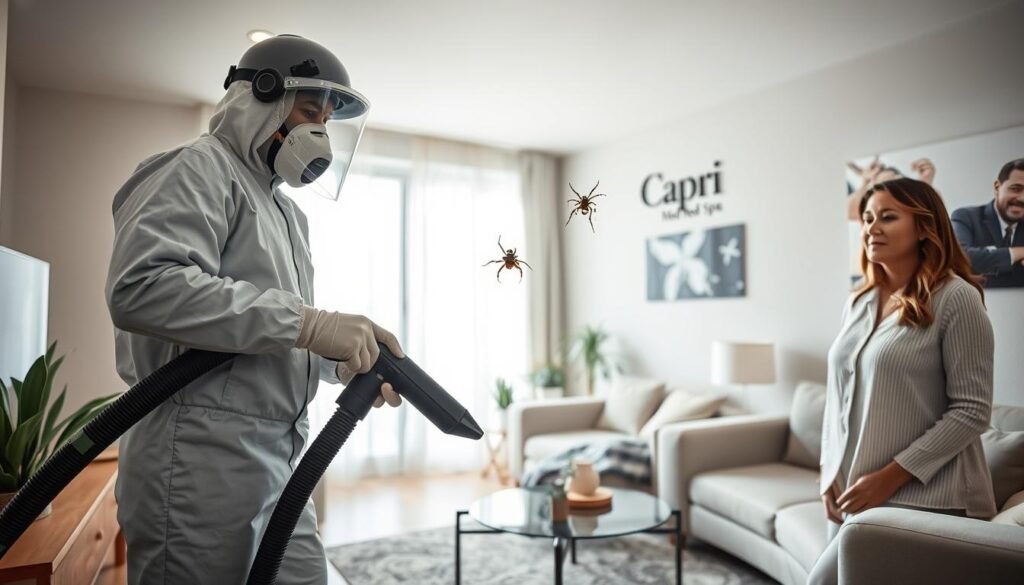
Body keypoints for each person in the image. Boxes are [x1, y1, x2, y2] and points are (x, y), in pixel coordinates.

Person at [105, 35, 403, 584]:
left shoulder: (287, 215)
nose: (320, 131)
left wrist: (346, 361)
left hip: (281, 459)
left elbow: (266, 339)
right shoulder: (198, 168)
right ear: (262, 98)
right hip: (198, 462)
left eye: (328, 119)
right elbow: (144, 288)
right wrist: (312, 324)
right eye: (310, 111)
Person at [808, 178, 996, 585]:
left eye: (888, 217)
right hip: (853, 494)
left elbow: (972, 411)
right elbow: (837, 398)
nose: (871, 227)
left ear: (925, 227)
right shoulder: (858, 302)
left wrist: (888, 478)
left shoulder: (957, 298)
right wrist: (829, 473)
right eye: (868, 217)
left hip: (930, 499)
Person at [951, 158, 1024, 288]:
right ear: (997, 187)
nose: (1022, 198)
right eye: (1016, 189)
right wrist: (1018, 253)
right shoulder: (966, 217)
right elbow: (959, 258)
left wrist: (985, 258)